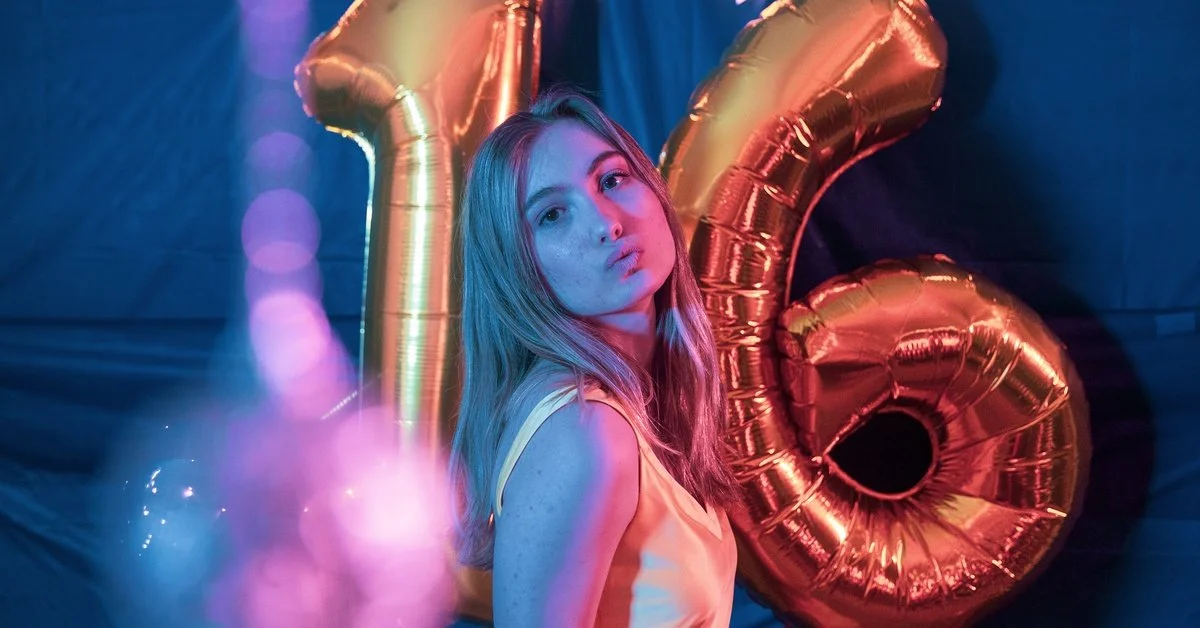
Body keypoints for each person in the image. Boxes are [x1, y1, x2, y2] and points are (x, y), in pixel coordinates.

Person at [449, 86, 742, 627]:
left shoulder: (634, 405)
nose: (607, 222)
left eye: (612, 180)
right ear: (518, 266)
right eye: (554, 215)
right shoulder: (585, 431)